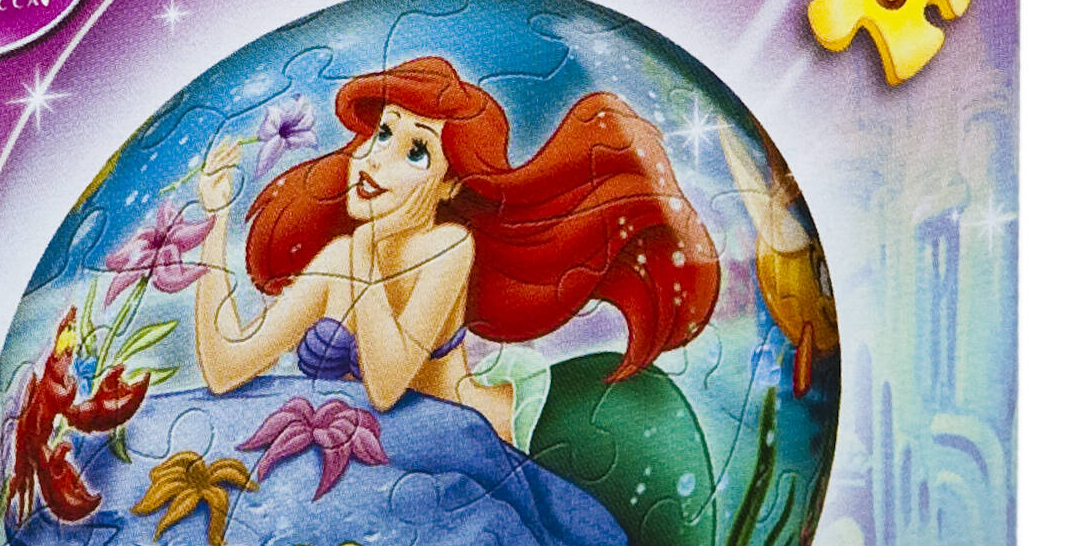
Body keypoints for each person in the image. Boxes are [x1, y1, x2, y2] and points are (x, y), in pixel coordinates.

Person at [194, 57, 718, 440]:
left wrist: (366, 254)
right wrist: (214, 222)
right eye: (383, 133)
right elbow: (224, 367)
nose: (377, 158)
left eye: (416, 151)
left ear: (450, 185)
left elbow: (386, 385)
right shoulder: (339, 258)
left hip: (472, 439)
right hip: (379, 450)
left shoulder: (448, 247)